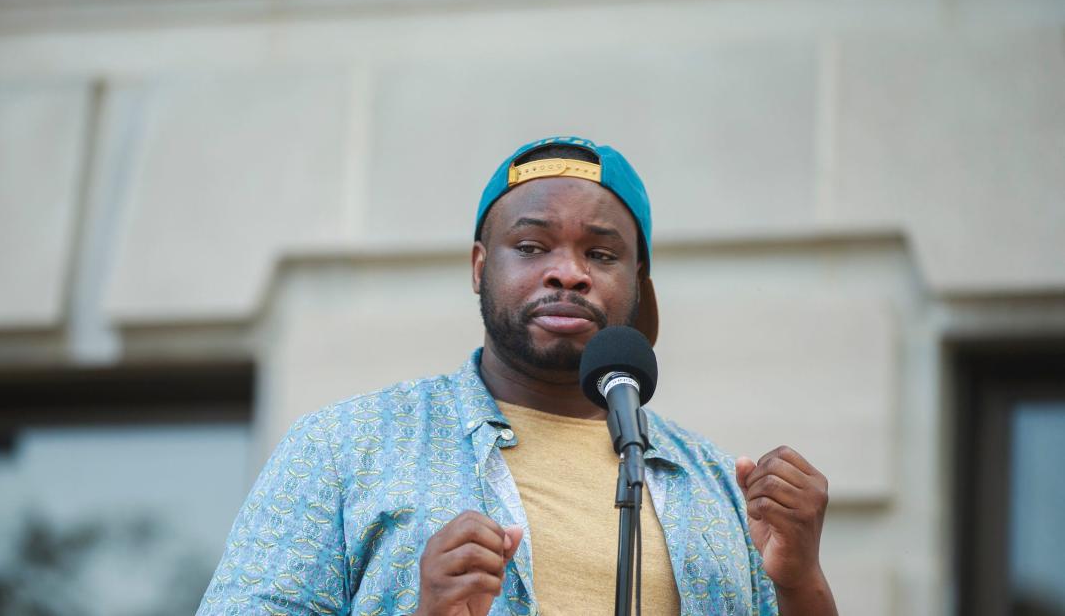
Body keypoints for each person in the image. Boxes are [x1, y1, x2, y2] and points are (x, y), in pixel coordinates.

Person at [196, 136, 838, 615]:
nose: (568, 272)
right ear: (480, 267)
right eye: (531, 247)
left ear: (638, 285)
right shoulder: (346, 447)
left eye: (601, 253)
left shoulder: (716, 486)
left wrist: (801, 580)